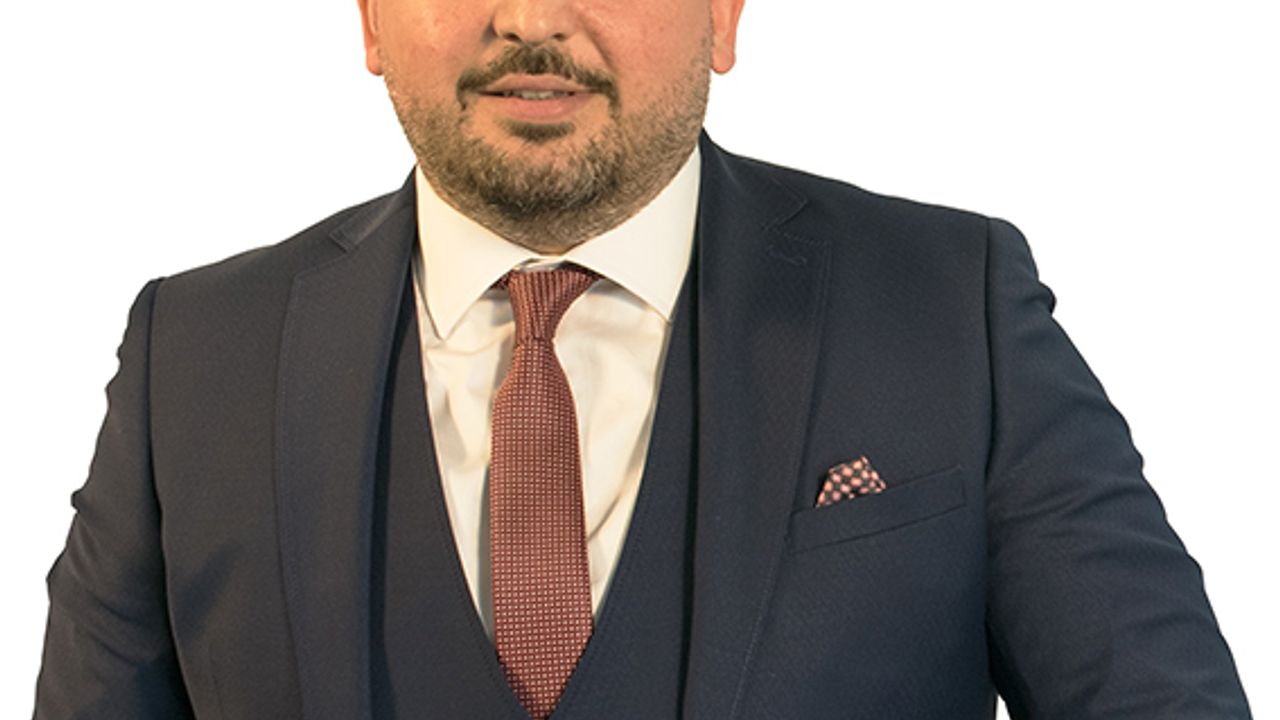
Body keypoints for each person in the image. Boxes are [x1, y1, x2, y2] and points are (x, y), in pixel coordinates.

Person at [33, 0, 1252, 717]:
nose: (530, 21)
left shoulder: (951, 307)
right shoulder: (193, 357)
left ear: (724, 16)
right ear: (364, 21)